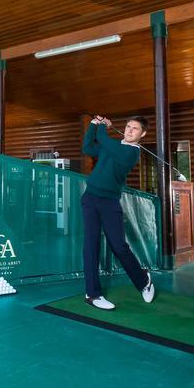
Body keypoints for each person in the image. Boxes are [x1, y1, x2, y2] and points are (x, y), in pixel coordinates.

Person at [80, 115, 156, 310]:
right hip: (90, 198)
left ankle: (143, 281)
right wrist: (93, 126)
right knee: (90, 246)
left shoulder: (132, 153)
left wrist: (104, 126)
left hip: (109, 203)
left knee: (119, 247)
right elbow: (88, 147)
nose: (130, 130)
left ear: (143, 134)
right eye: (128, 126)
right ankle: (92, 294)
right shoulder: (113, 146)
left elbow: (104, 140)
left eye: (135, 129)